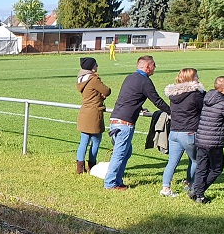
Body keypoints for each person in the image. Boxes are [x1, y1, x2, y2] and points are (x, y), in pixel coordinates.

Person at [103, 55, 169, 190]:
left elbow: (130, 97)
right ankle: (110, 184)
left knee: (126, 152)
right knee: (120, 153)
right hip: (124, 123)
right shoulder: (144, 81)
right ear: (147, 67)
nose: (154, 68)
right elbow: (157, 100)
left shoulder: (130, 77)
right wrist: (172, 111)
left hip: (116, 119)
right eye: (153, 65)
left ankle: (118, 181)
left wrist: (139, 107)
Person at [191, 76, 224, 203]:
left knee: (201, 168)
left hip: (201, 138)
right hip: (213, 141)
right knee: (216, 169)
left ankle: (197, 192)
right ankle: (198, 193)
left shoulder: (208, 97)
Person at [160, 68, 205, 197]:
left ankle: (166, 188)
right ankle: (190, 184)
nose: (198, 78)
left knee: (172, 162)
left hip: (174, 132)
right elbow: (204, 107)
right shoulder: (196, 94)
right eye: (196, 76)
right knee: (196, 160)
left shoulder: (174, 95)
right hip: (189, 132)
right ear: (191, 78)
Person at [75, 57, 110, 174]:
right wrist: (101, 95)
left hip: (84, 112)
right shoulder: (93, 79)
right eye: (96, 64)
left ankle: (80, 168)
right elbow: (107, 91)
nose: (97, 66)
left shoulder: (81, 79)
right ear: (91, 66)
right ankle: (92, 165)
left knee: (84, 141)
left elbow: (91, 93)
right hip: (94, 113)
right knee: (96, 140)